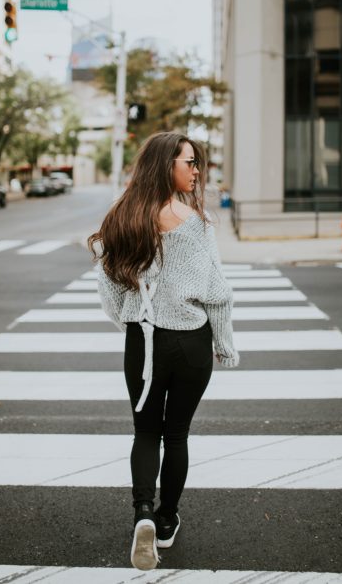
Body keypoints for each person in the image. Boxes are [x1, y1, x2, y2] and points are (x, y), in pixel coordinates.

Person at [87, 131, 239, 571]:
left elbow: (108, 285)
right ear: (165, 165)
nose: (195, 171)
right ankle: (167, 521)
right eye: (188, 162)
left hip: (143, 340)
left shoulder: (124, 217)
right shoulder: (196, 224)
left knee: (145, 432)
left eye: (196, 163)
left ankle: (142, 514)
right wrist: (225, 346)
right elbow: (217, 294)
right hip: (191, 342)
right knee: (177, 435)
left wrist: (130, 323)